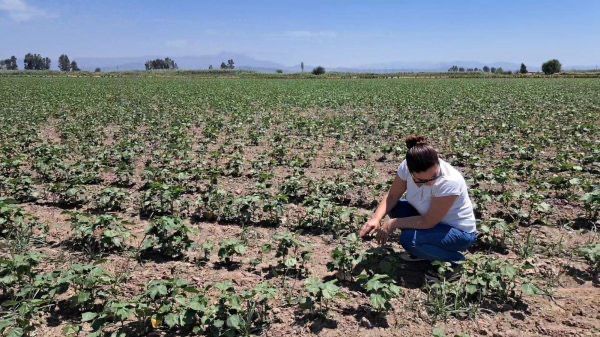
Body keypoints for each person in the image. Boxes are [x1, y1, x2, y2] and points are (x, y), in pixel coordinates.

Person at [359, 135, 477, 281]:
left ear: (437, 162)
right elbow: (392, 196)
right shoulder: (406, 167)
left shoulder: (450, 181)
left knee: (410, 240)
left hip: (458, 233)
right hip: (432, 222)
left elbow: (428, 222)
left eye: (434, 176)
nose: (430, 183)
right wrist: (376, 218)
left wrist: (393, 223)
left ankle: (455, 262)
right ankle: (425, 252)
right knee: (397, 207)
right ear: (410, 171)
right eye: (421, 180)